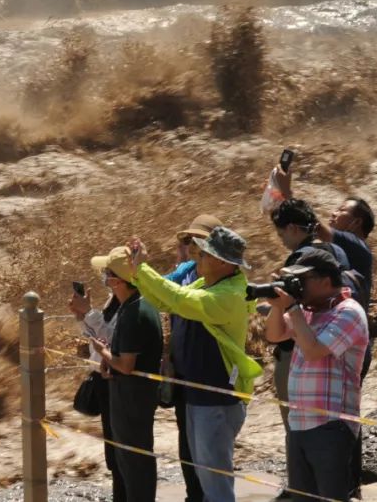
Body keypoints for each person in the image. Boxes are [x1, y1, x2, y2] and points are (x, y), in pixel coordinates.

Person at [121, 226, 262, 502]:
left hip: (217, 398)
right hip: (200, 395)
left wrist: (144, 270)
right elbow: (166, 300)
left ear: (222, 261)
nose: (197, 255)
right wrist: (138, 272)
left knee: (216, 482)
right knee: (207, 477)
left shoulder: (229, 294)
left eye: (204, 253)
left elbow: (179, 299)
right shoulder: (210, 282)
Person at [263, 248, 369, 502]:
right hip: (300, 423)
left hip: (330, 425)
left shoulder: (348, 312)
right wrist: (279, 307)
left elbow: (313, 351)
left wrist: (294, 308)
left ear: (325, 280)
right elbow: (274, 335)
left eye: (302, 280)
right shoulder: (309, 311)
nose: (297, 287)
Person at [90, 246, 164, 502]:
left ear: (117, 280)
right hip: (133, 396)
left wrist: (103, 352)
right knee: (134, 460)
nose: (104, 278)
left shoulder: (133, 312)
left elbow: (127, 366)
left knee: (135, 463)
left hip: (132, 399)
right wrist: (112, 360)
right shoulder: (139, 303)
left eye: (107, 273)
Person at [165, 215, 223, 502]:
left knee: (209, 449)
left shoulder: (222, 278)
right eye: (187, 241)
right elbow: (159, 293)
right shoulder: (185, 271)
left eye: (197, 241)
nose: (190, 247)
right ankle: (193, 495)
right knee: (186, 443)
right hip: (183, 372)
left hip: (209, 375)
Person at [68, 282, 124, 501]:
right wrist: (82, 316)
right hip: (104, 377)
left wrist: (89, 313)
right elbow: (96, 339)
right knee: (113, 451)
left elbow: (111, 339)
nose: (106, 277)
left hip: (117, 380)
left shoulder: (132, 303)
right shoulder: (114, 299)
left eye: (110, 273)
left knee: (121, 451)